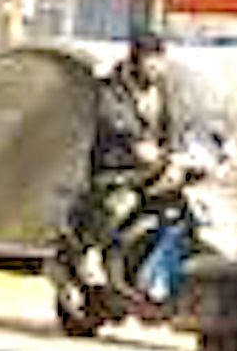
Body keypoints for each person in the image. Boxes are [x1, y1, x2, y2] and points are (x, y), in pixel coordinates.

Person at [77, 22, 180, 287]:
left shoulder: (162, 89)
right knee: (121, 204)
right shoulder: (113, 85)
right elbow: (113, 117)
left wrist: (176, 151)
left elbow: (174, 123)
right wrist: (135, 142)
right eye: (150, 60)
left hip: (153, 169)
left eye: (160, 59)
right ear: (137, 59)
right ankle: (91, 254)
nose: (157, 66)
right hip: (117, 170)